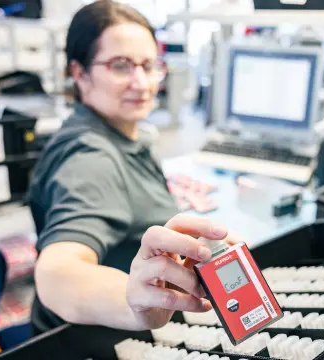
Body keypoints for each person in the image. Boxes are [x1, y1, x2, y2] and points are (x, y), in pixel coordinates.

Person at [27, 0, 229, 335]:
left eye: (149, 65)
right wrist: (134, 301)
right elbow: (56, 274)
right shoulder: (90, 157)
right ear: (80, 73)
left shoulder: (123, 132)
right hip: (96, 335)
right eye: (120, 66)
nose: (142, 82)